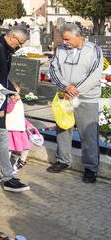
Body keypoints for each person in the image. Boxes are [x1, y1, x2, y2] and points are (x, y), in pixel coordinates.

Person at [47, 23, 103, 183]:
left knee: (88, 134)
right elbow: (53, 69)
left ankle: (91, 168)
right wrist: (65, 87)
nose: (65, 42)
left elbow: (95, 74)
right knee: (63, 129)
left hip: (86, 98)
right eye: (63, 39)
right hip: (65, 96)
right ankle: (63, 161)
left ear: (78, 36)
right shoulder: (60, 49)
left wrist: (74, 90)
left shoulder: (94, 50)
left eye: (67, 39)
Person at [0, 27, 30, 192]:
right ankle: (7, 177)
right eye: (19, 43)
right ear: (12, 38)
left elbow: (3, 77)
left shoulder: (3, 48)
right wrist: (1, 102)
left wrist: (11, 90)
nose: (19, 47)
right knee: (1, 138)